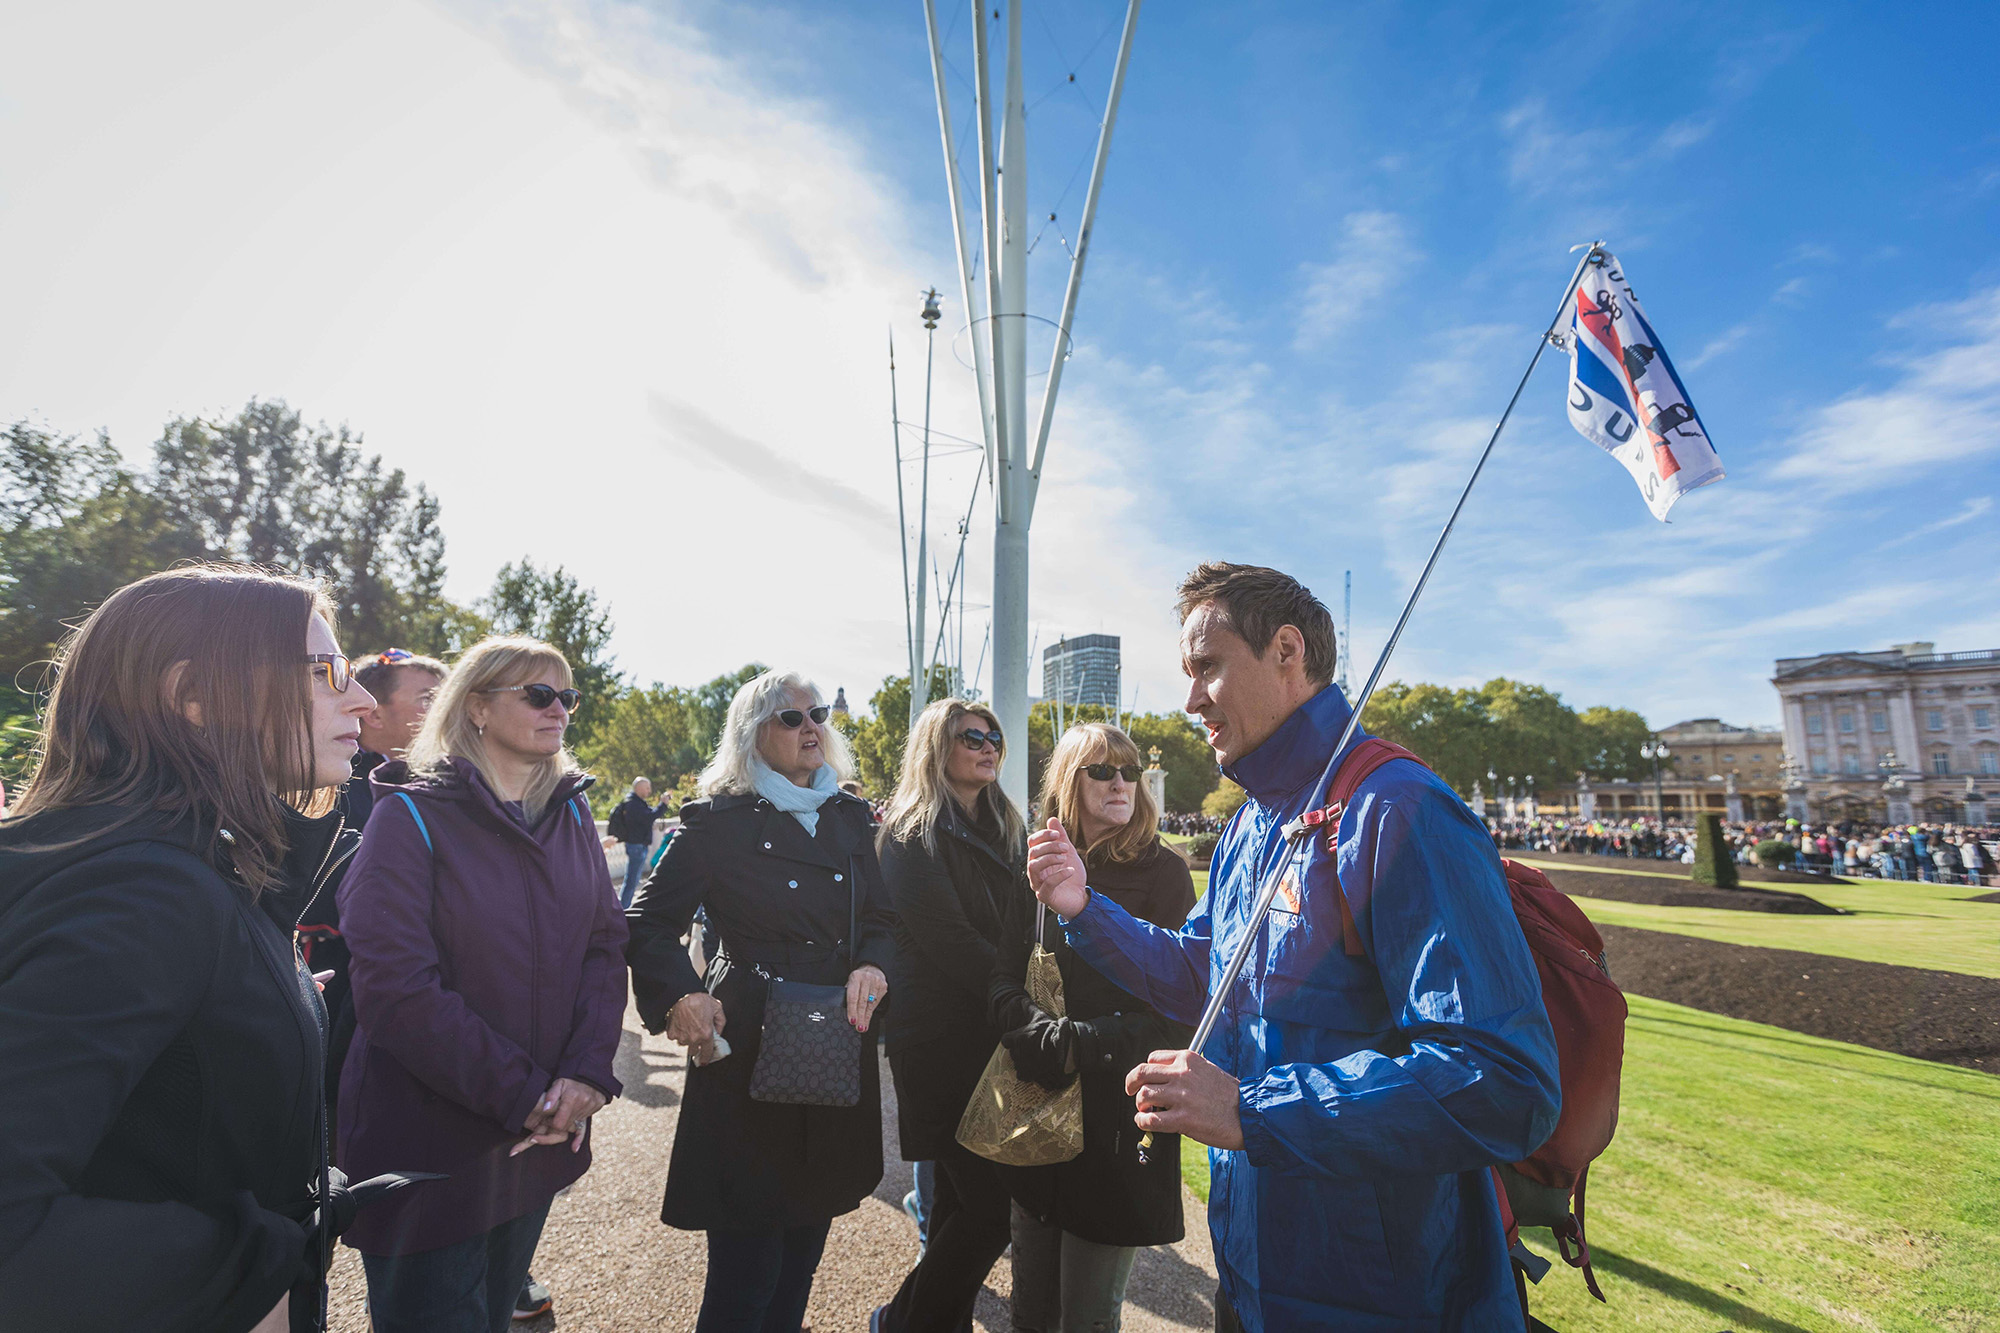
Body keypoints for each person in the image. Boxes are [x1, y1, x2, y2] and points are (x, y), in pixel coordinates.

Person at [1027, 563, 1561, 1331]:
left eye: (1207, 666)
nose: (1190, 699)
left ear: (1286, 650)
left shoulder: (1400, 807)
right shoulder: (1250, 824)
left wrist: (1252, 1109)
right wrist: (1084, 908)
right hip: (1249, 1283)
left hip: (1386, 1299)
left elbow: (1507, 1079)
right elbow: (1202, 978)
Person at [0, 565, 379, 1332]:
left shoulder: (173, 863)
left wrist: (266, 1007)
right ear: (192, 696)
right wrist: (242, 1281)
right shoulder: (147, 890)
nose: (363, 697)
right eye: (328, 670)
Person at [337, 636, 629, 1333]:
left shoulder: (572, 812)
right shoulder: (406, 816)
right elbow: (396, 990)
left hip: (537, 1146)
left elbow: (604, 943)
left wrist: (587, 1074)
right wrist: (527, 1094)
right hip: (430, 1152)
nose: (559, 707)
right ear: (474, 707)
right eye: (537, 693)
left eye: (567, 695)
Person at [626, 670, 893, 1333]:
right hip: (747, 1046)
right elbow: (647, 923)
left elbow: (886, 922)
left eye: (817, 715)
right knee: (747, 1268)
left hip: (832, 1041)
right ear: (753, 734)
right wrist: (680, 995)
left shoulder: (850, 817)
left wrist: (876, 964)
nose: (811, 727)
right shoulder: (716, 824)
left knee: (802, 1250)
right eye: (790, 717)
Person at [993, 723, 1196, 1333]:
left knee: (1088, 1317)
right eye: (1102, 771)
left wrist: (1081, 1043)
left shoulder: (1164, 874)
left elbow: (1183, 1014)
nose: (1120, 783)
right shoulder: (1037, 866)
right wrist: (1035, 1035)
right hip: (1038, 1106)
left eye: (1129, 772)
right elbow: (1002, 982)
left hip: (1117, 1116)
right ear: (1067, 783)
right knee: (1032, 1310)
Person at [872, 698, 1029, 1333]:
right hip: (940, 1038)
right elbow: (951, 941)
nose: (989, 744)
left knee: (958, 1205)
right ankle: (906, 1320)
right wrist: (1025, 997)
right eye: (972, 736)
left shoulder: (1007, 824)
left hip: (993, 1031)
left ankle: (933, 1321)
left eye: (993, 736)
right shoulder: (911, 835)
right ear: (939, 747)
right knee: (991, 1211)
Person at [610, 775, 672, 909]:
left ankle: (623, 907)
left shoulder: (636, 803)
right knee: (632, 880)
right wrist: (663, 805)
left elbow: (649, 815)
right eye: (647, 788)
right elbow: (650, 817)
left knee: (633, 880)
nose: (649, 791)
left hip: (637, 845)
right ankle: (623, 908)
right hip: (636, 846)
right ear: (639, 788)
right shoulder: (633, 804)